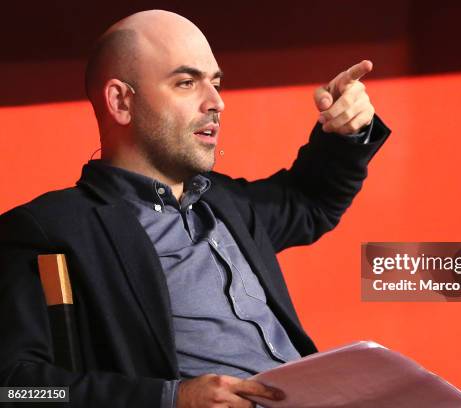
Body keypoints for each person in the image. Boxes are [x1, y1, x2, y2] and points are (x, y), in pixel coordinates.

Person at [0, 9, 390, 408]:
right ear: (121, 101)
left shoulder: (224, 203)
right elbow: (15, 389)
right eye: (186, 83)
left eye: (216, 83)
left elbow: (310, 202)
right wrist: (171, 399)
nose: (217, 102)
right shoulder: (48, 229)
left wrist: (346, 132)